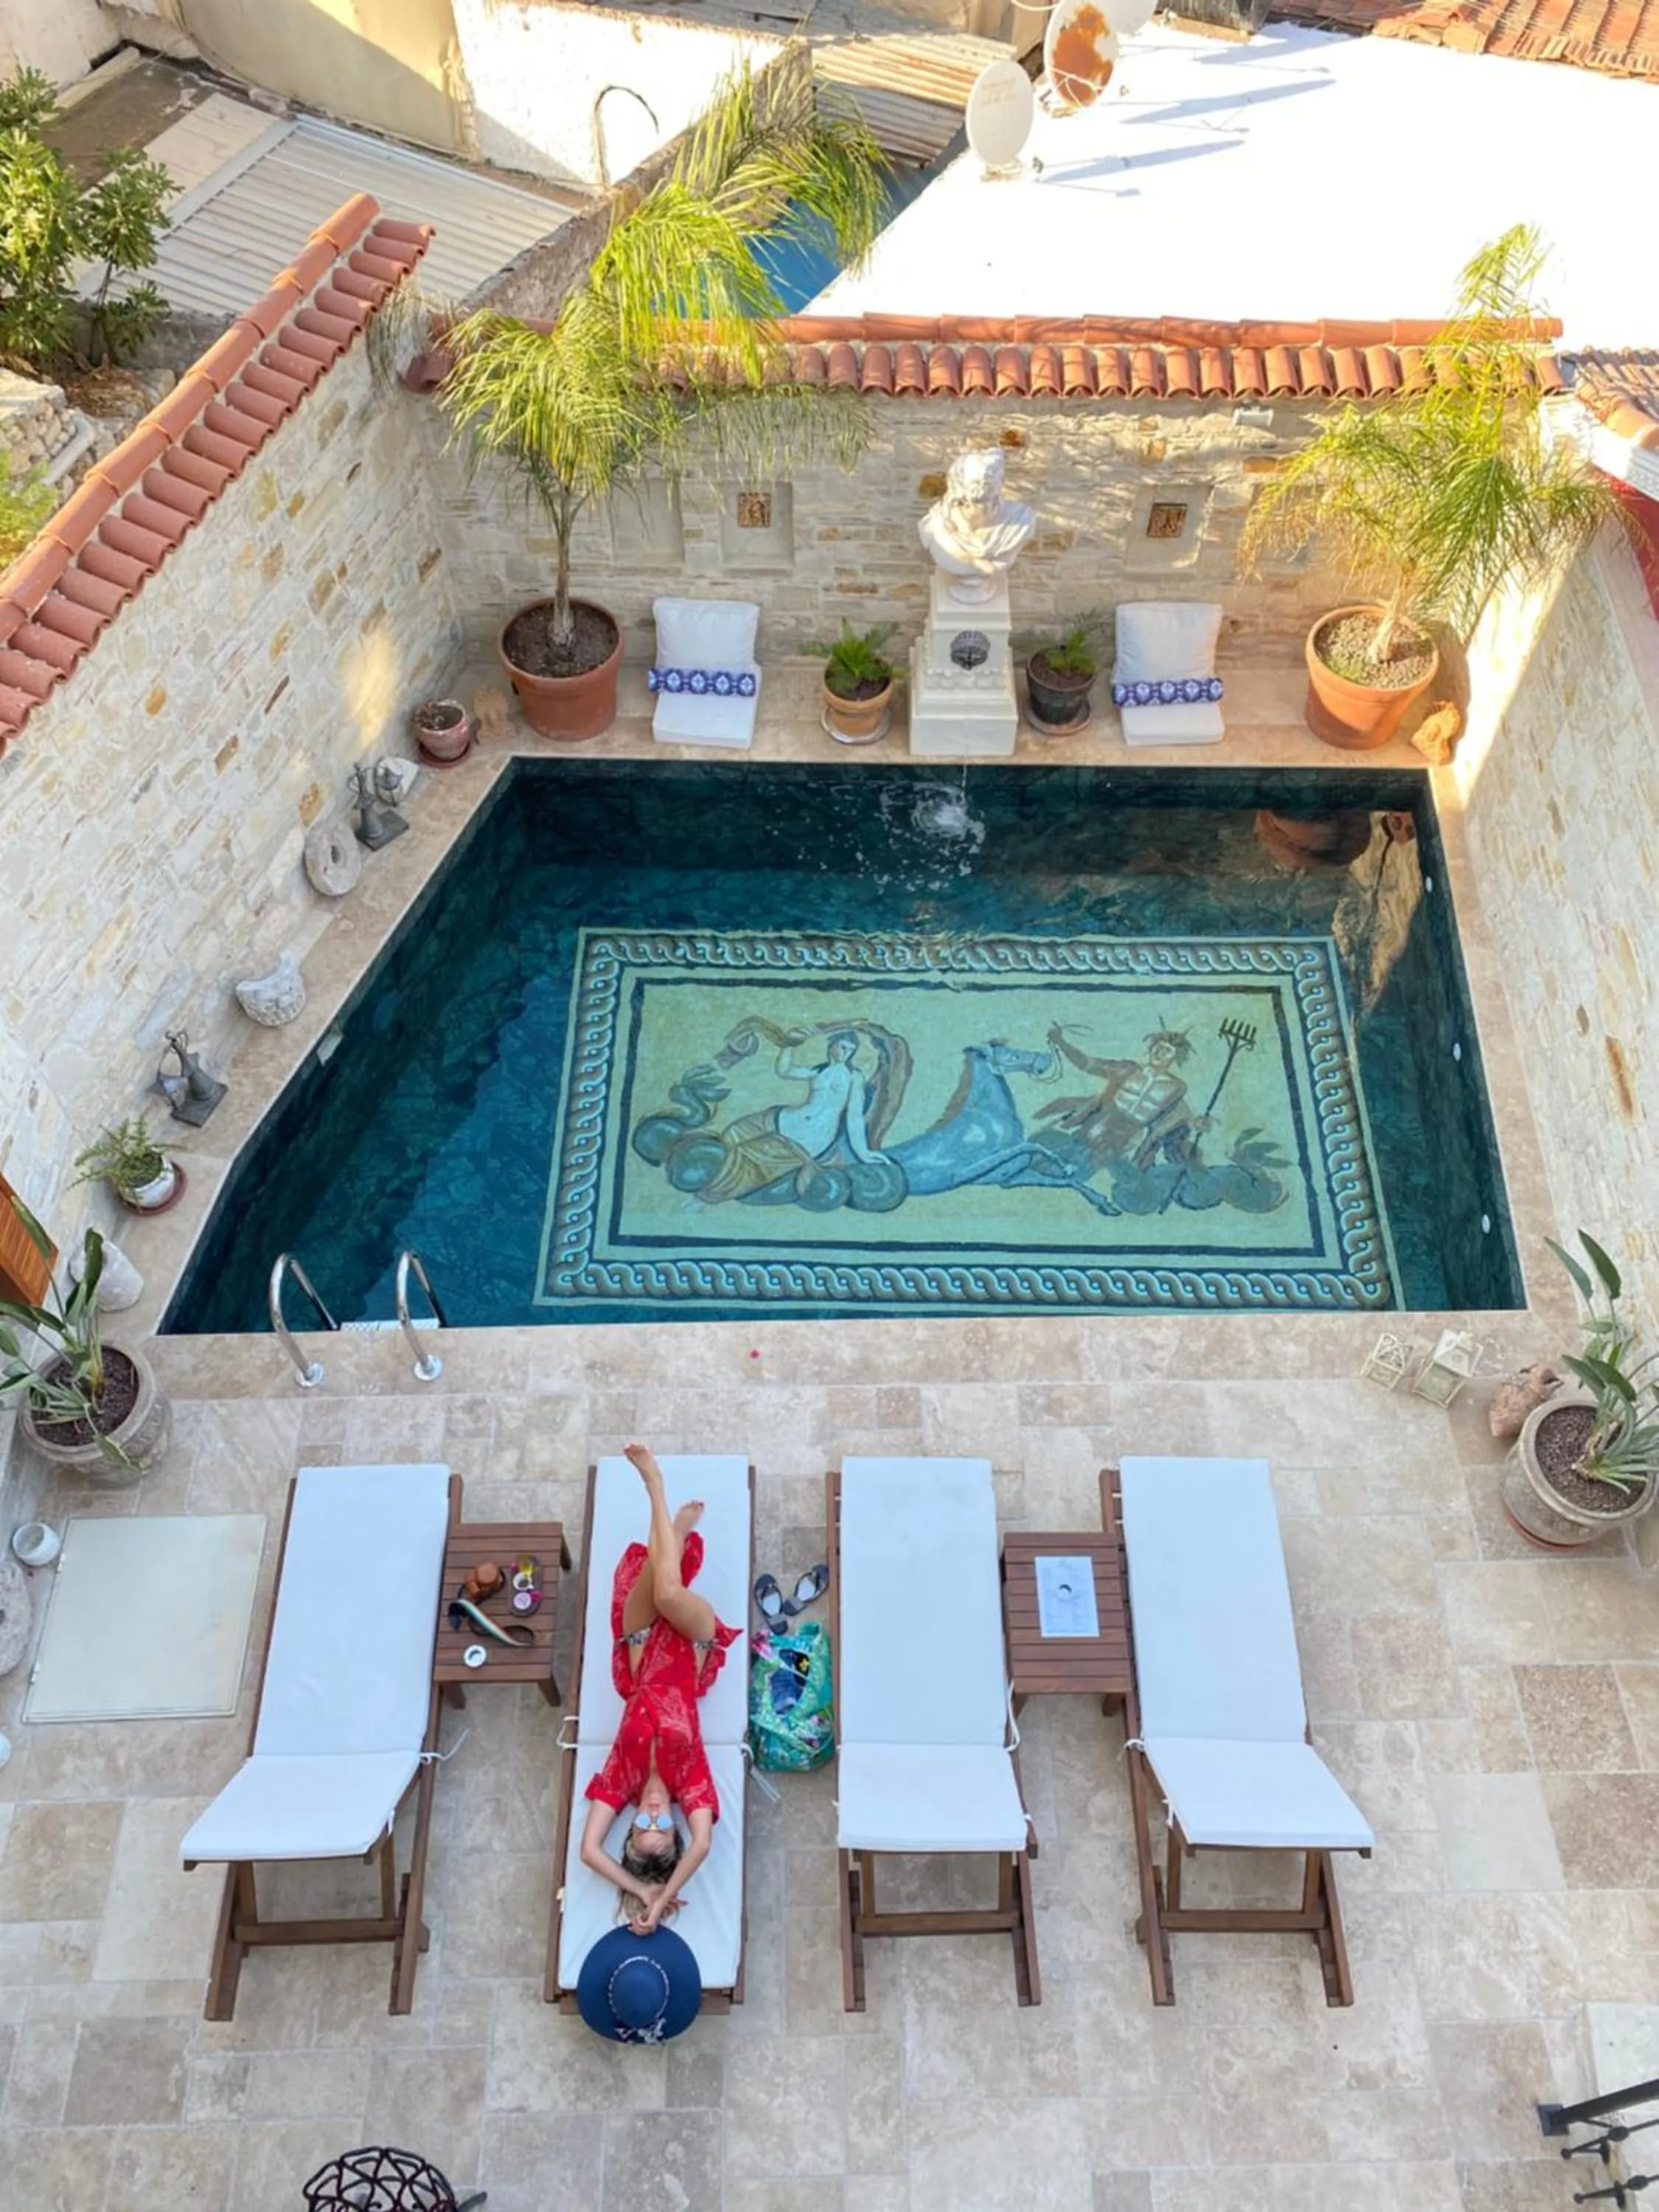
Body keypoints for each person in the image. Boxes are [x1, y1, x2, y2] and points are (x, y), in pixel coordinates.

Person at [578, 1444, 740, 1936]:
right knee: (668, 1592)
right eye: (663, 1830)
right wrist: (664, 1893)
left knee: (653, 1582)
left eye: (641, 1829)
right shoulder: (692, 1783)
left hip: (640, 1648)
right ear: (674, 1825)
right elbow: (704, 1847)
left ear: (629, 1828)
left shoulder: (618, 1780)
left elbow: (589, 1852)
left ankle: (671, 1533)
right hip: (693, 1648)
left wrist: (641, 1890)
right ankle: (655, 1487)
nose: (652, 1817)